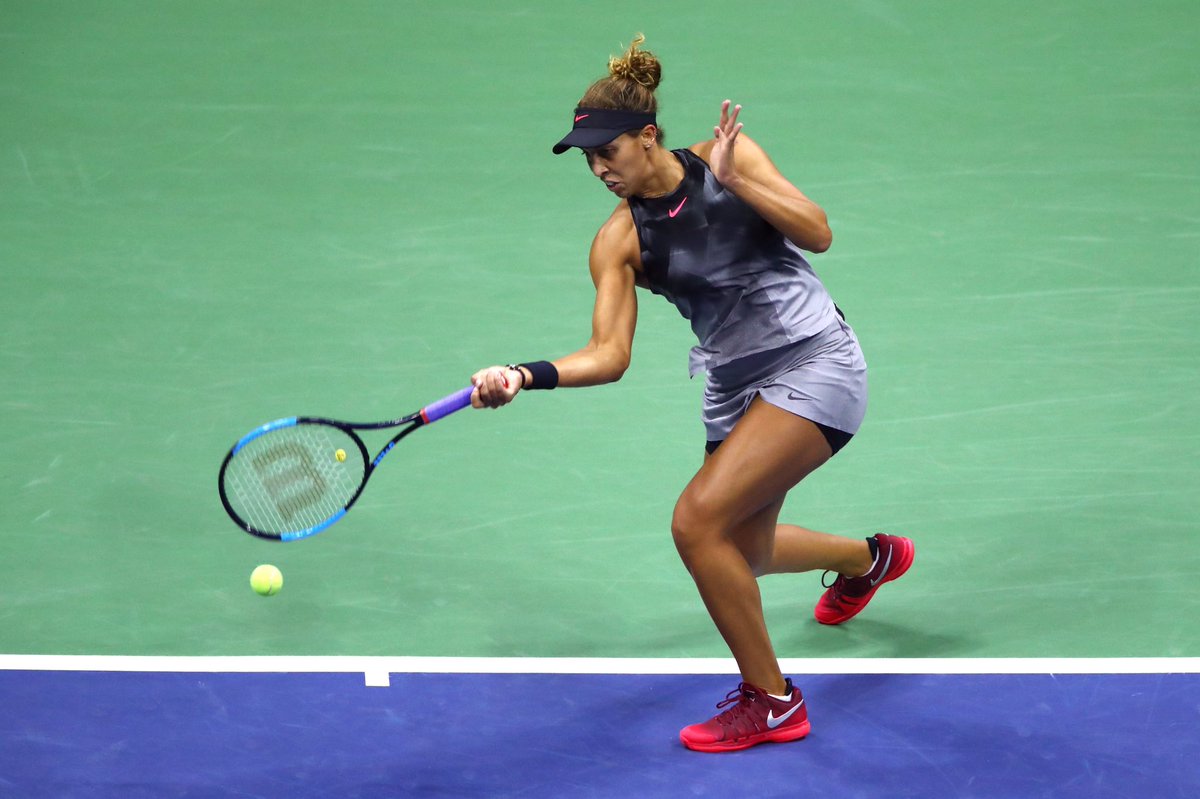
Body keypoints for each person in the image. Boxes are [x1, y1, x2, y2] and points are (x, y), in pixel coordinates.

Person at [470, 35, 914, 753]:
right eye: (588, 158)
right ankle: (870, 559)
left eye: (608, 151)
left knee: (695, 523)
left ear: (647, 137)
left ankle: (773, 701)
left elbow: (819, 232)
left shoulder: (726, 159)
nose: (599, 168)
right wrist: (524, 373)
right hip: (734, 386)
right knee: (742, 549)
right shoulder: (618, 241)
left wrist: (741, 183)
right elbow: (609, 355)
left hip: (815, 361)